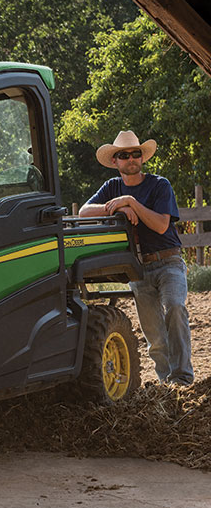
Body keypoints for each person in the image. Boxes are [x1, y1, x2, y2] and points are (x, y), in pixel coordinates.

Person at [79, 130, 193, 386]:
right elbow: (85, 211)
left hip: (169, 261)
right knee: (153, 332)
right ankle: (166, 382)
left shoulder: (159, 184)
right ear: (115, 162)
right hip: (139, 267)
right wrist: (120, 206)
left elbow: (162, 225)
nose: (130, 158)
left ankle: (183, 378)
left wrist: (131, 202)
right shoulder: (112, 187)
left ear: (142, 158)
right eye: (124, 155)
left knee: (175, 307)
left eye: (135, 153)